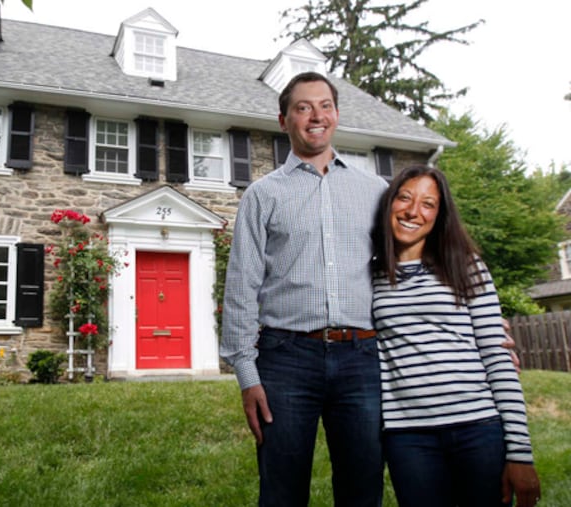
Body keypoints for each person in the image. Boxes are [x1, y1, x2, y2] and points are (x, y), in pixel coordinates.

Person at [221, 71, 388, 506]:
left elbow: (406, 268)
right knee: (281, 490)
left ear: (336, 113)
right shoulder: (262, 195)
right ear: (284, 120)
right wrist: (246, 375)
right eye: (303, 107)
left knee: (362, 486)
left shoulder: (375, 191)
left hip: (362, 359)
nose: (317, 116)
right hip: (285, 360)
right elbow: (241, 286)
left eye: (325, 105)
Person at [371, 165, 541, 507]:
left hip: (478, 428)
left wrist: (521, 453)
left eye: (428, 204)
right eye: (404, 198)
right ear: (389, 204)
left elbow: (496, 356)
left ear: (440, 214)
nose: (413, 211)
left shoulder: (466, 265)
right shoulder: (369, 275)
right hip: (408, 436)